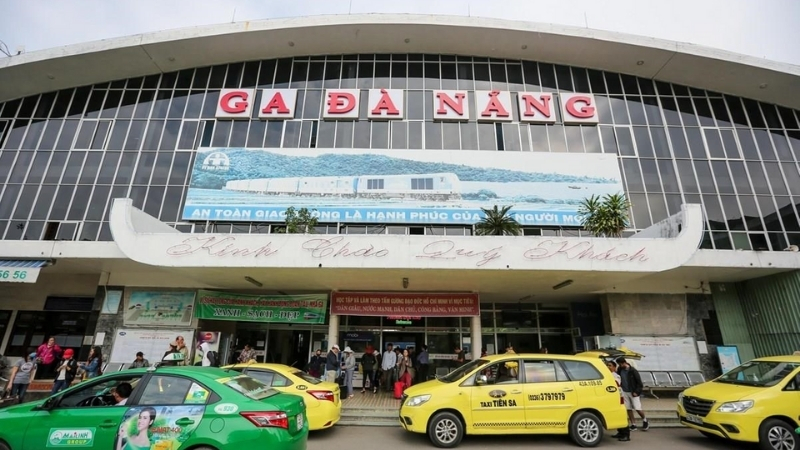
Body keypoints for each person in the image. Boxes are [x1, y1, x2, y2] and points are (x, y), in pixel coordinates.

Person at [617, 357, 649, 431]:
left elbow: (639, 383)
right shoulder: (620, 370)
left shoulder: (633, 371)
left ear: (624, 363)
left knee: (637, 407)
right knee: (628, 408)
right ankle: (633, 424)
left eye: (621, 364)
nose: (620, 366)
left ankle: (645, 420)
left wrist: (637, 392)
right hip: (624, 391)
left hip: (633, 391)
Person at [606, 360, 631, 442]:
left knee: (621, 415)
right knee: (615, 415)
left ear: (614, 367)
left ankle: (626, 434)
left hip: (618, 397)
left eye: (610, 365)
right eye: (607, 365)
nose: (608, 367)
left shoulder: (615, 376)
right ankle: (620, 432)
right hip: (610, 398)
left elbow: (616, 385)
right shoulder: (607, 375)